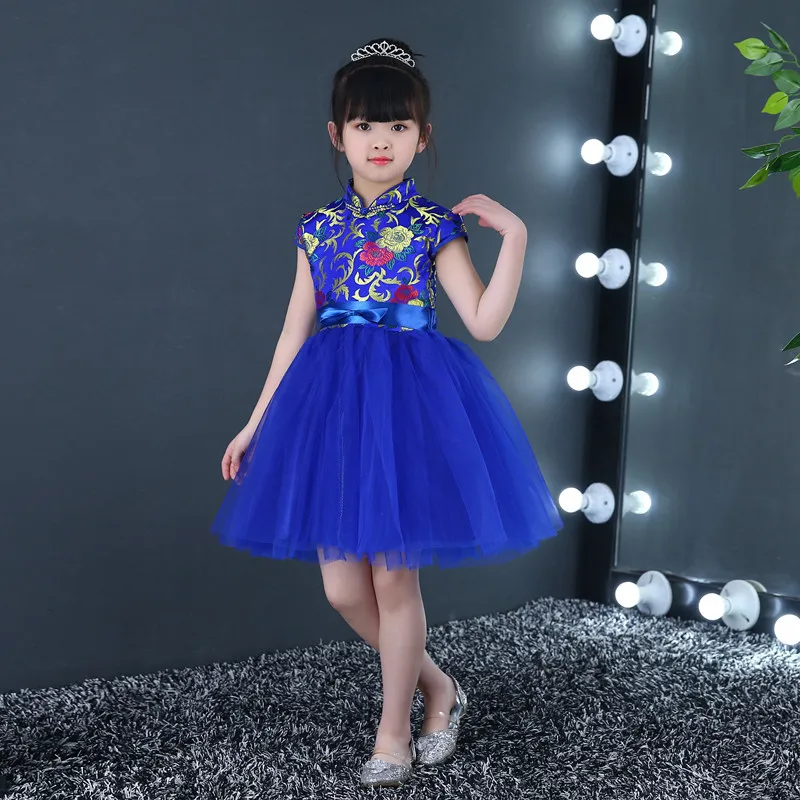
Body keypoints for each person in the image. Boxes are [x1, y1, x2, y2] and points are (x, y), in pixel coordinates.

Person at [211, 37, 563, 788]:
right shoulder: (318, 229)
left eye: (398, 126)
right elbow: (292, 333)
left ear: (422, 137)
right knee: (343, 588)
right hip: (332, 409)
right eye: (365, 125)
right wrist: (255, 422)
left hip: (407, 405)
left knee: (395, 582)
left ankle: (394, 731)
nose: (381, 140)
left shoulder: (434, 225)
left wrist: (517, 237)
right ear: (337, 134)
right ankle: (441, 687)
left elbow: (485, 322)